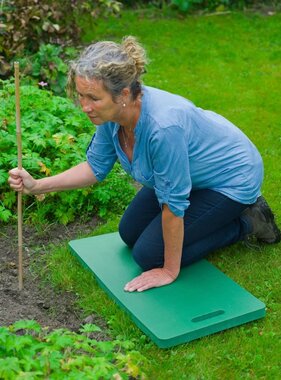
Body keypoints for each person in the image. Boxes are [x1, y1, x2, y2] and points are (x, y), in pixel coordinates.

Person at [8, 36, 281, 292]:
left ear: (123, 94)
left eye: (93, 98)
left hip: (230, 177)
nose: (85, 106)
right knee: (129, 232)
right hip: (191, 174)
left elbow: (173, 205)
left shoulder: (162, 128)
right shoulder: (111, 115)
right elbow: (95, 168)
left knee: (149, 254)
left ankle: (248, 221)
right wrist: (37, 185)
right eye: (81, 95)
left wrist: (168, 270)